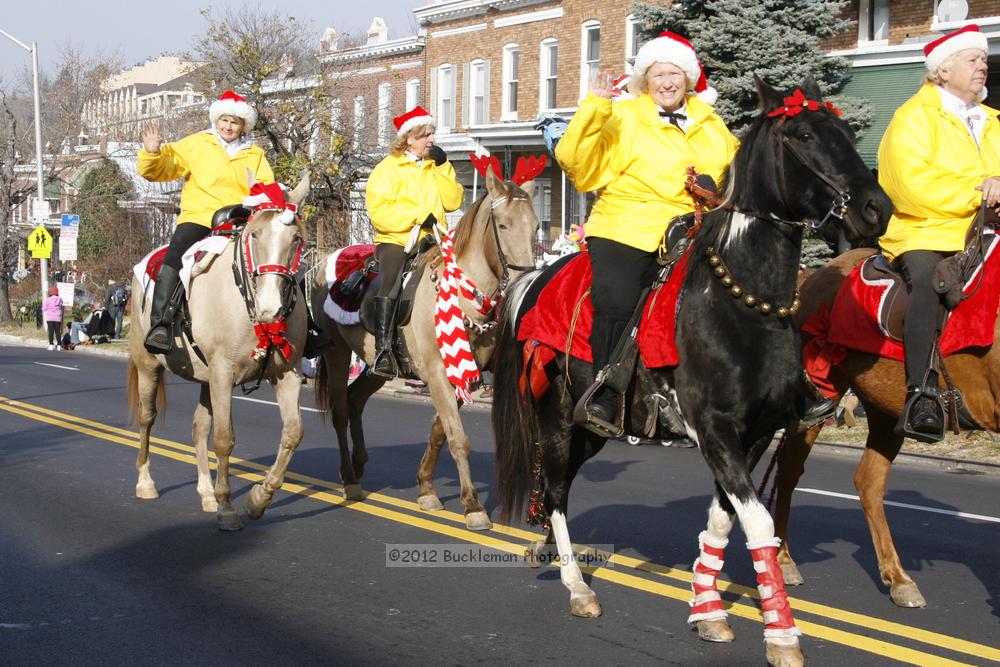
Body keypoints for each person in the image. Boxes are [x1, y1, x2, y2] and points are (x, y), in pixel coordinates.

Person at [554, 32, 739, 435]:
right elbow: (574, 161)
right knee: (617, 297)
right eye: (659, 74)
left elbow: (736, 172)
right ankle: (602, 390)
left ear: (688, 78)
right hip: (627, 223)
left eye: (674, 73)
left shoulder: (711, 123)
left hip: (695, 228)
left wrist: (718, 189)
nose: (667, 82)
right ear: (645, 80)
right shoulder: (621, 116)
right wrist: (593, 108)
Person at [876, 24, 1000, 439]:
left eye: (983, 59)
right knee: (927, 284)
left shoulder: (992, 120)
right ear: (943, 70)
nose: (982, 65)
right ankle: (921, 394)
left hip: (985, 230)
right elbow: (907, 186)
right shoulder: (912, 116)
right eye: (972, 59)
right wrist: (976, 194)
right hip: (926, 229)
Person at [136, 90, 274, 354]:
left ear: (244, 125)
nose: (228, 126)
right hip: (199, 218)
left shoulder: (255, 154)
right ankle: (160, 324)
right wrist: (151, 153)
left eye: (235, 122)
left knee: (276, 260)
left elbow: (265, 188)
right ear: (216, 119)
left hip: (239, 222)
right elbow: (163, 167)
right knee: (176, 255)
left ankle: (302, 328)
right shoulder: (197, 143)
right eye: (224, 120)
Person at [365, 105, 463, 378]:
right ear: (408, 137)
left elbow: (454, 201)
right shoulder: (387, 169)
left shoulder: (434, 167)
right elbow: (380, 211)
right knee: (392, 281)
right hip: (398, 240)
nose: (431, 140)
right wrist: (419, 216)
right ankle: (384, 351)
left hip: (434, 241)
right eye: (425, 135)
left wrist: (444, 167)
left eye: (432, 134)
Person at [42, 286, 63, 351]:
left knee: (51, 331)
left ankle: (51, 345)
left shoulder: (47, 300)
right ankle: (59, 345)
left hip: (50, 318)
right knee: (57, 331)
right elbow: (61, 306)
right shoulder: (60, 299)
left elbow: (44, 308)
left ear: (50, 293)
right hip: (57, 317)